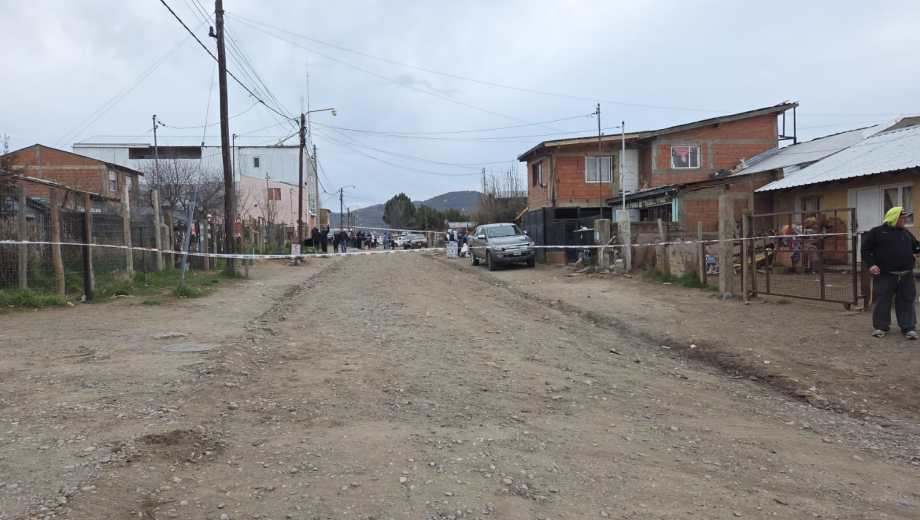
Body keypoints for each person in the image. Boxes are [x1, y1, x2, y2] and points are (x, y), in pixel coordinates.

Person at [861, 207, 920, 339]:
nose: (905, 220)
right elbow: (865, 250)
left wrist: (917, 250)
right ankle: (880, 328)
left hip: (906, 274)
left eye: (905, 218)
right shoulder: (877, 232)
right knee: (883, 300)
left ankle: (908, 328)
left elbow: (916, 247)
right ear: (894, 218)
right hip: (885, 274)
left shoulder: (906, 233)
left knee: (906, 300)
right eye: (902, 218)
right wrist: (871, 265)